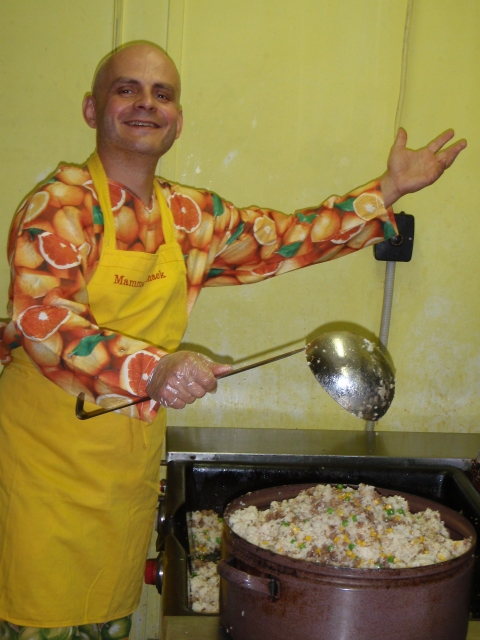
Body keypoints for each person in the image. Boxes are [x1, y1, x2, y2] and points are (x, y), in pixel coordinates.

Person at [0, 41, 466, 636]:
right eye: (127, 89)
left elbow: (285, 240)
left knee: (108, 617)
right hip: (46, 458)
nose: (146, 103)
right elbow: (46, 321)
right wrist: (155, 370)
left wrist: (388, 190)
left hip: (125, 457)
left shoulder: (189, 216)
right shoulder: (58, 206)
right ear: (92, 109)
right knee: (40, 620)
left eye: (162, 94)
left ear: (177, 120)